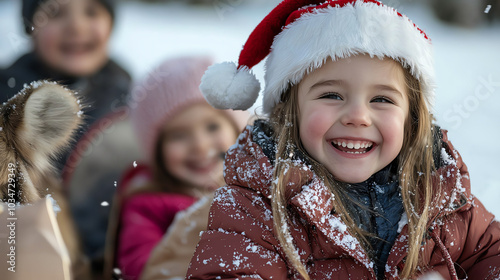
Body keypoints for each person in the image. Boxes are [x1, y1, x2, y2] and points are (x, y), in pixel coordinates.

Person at [186, 0, 500, 279]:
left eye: (382, 99)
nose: (358, 116)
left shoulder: (443, 200)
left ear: (412, 117)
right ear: (289, 110)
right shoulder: (255, 207)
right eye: (332, 95)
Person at [109, 56, 249, 280]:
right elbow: (142, 269)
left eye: (212, 127)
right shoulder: (147, 205)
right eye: (179, 135)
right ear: (157, 152)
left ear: (237, 130)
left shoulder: (257, 190)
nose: (200, 146)